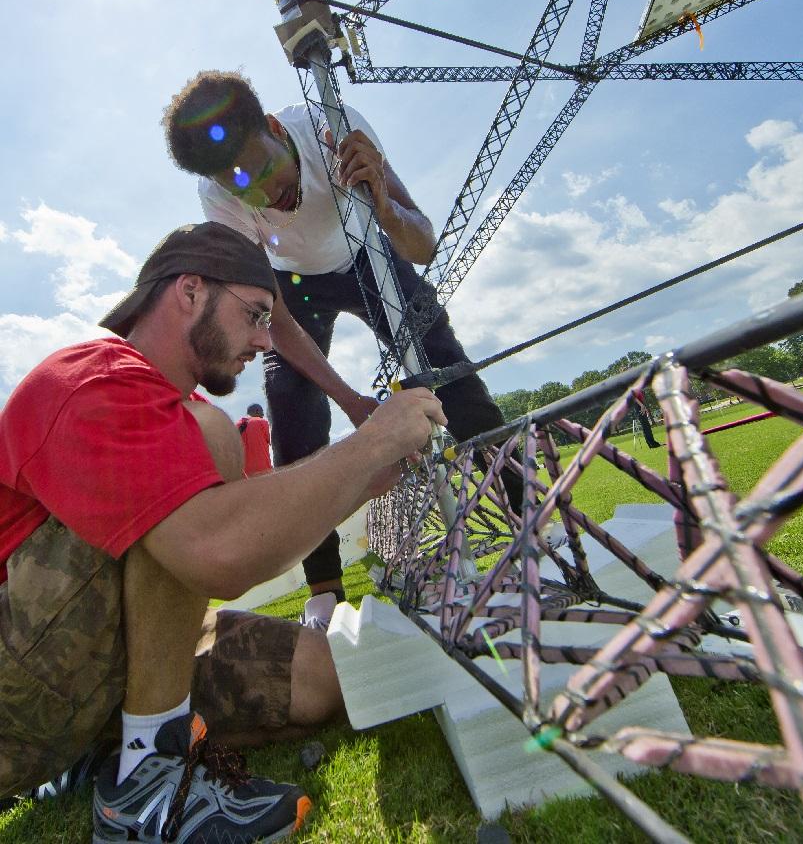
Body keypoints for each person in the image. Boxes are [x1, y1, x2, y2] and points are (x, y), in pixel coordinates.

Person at [0, 221, 445, 843]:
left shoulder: (175, 409)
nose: (266, 341)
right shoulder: (89, 378)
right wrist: (370, 444)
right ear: (189, 291)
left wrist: (360, 477)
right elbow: (218, 551)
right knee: (202, 451)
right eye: (256, 315)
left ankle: (104, 749)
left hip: (88, 664)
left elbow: (240, 524)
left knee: (324, 680)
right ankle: (149, 774)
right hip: (12, 690)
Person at [162, 70, 521, 629]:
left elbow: (422, 243)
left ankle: (528, 520)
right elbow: (273, 316)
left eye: (262, 171)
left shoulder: (333, 126)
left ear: (277, 129)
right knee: (291, 401)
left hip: (367, 253)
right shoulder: (218, 194)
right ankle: (324, 590)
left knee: (448, 370)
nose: (262, 196)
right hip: (293, 287)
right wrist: (354, 402)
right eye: (242, 188)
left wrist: (380, 198)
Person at [237, 402, 273, 475]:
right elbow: (272, 442)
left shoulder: (235, 426)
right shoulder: (262, 422)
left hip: (245, 475)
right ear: (257, 411)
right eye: (262, 413)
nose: (262, 415)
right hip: (264, 470)